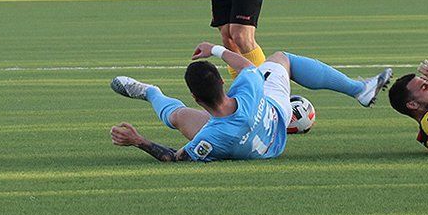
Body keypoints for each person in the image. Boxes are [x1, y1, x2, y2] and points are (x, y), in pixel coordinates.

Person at [109, 42, 392, 162]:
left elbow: (173, 158)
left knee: (179, 117)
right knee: (283, 58)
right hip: (276, 117)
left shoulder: (210, 136)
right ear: (222, 82)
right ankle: (358, 90)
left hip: (242, 139)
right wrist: (215, 49)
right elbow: (245, 65)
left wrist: (138, 140)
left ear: (196, 98)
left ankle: (150, 92)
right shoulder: (249, 89)